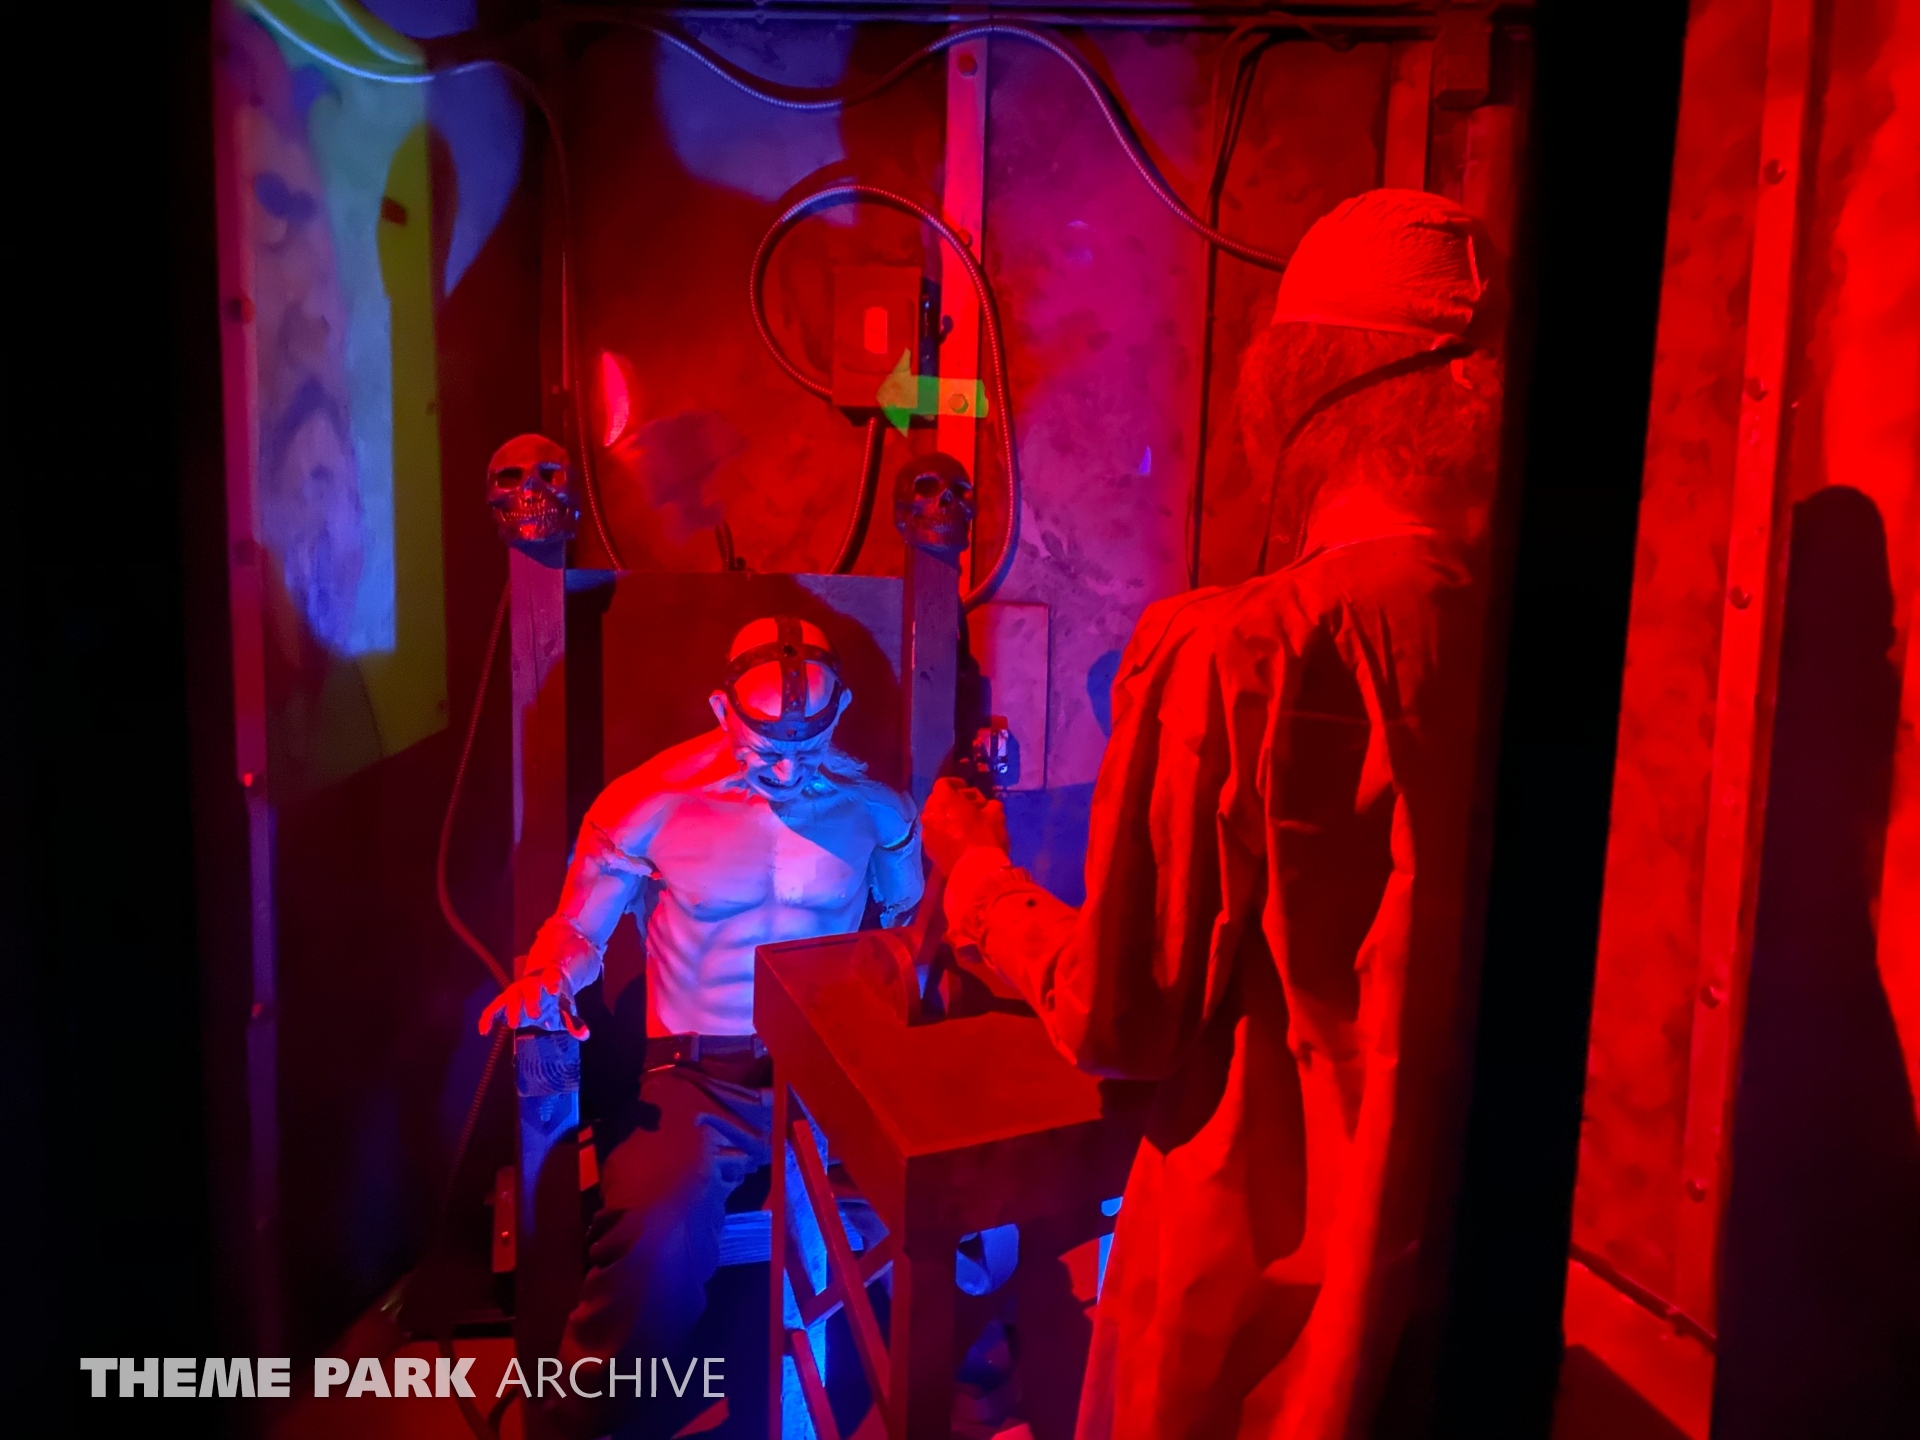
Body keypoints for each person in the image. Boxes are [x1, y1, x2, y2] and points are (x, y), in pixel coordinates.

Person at [918, 189, 1505, 1440]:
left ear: (1298, 390)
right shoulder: (1509, 630)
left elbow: (1123, 1016)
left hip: (1256, 1317)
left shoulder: (1238, 645)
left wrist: (974, 879)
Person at [479, 615, 922, 1436]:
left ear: (841, 712)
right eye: (765, 751)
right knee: (658, 1234)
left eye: (808, 749)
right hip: (695, 1078)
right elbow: (578, 931)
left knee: (928, 1210)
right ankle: (581, 1419)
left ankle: (900, 1395)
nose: (786, 770)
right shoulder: (650, 804)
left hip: (827, 1074)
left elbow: (908, 930)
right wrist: (547, 979)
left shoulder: (877, 812)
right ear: (723, 712)